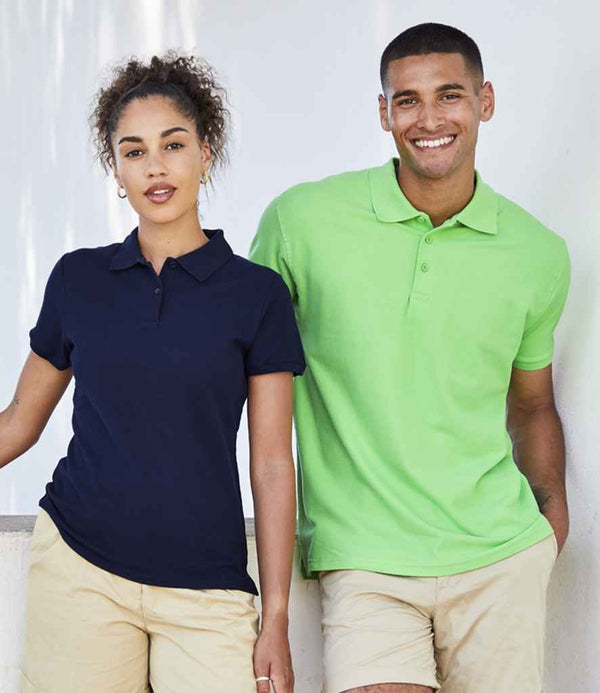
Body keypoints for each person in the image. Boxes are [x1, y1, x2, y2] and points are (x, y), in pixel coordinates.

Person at [249, 22, 570, 693]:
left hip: (500, 557)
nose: (429, 120)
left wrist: (549, 521)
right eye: (407, 100)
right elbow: (238, 373)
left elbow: (533, 405)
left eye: (449, 95)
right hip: (365, 560)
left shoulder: (537, 252)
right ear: (383, 112)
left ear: (485, 101)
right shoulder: (301, 223)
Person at [1, 52, 304, 693]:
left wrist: (276, 616)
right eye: (134, 151)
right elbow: (20, 422)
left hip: (207, 585)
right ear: (116, 170)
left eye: (173, 145)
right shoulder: (79, 279)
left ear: (205, 153)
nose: (155, 167)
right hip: (81, 569)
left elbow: (274, 464)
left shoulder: (257, 295)